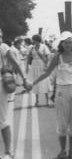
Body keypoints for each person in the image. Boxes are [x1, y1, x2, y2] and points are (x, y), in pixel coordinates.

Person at [32, 28, 72, 159]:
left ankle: (71, 151)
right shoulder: (57, 57)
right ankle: (62, 151)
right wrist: (33, 83)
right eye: (65, 42)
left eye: (70, 42)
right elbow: (46, 73)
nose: (68, 44)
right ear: (61, 44)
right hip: (62, 91)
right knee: (62, 123)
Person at [0, 29, 31, 159]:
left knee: (2, 118)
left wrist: (24, 78)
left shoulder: (2, 47)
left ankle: (8, 152)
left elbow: (14, 62)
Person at [27, 34, 50, 106]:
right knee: (35, 82)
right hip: (35, 65)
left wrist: (46, 65)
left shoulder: (44, 47)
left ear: (37, 40)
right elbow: (29, 57)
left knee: (44, 82)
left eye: (34, 40)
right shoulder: (31, 48)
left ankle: (47, 100)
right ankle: (37, 101)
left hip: (42, 64)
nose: (33, 41)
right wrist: (26, 67)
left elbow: (47, 57)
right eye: (33, 40)